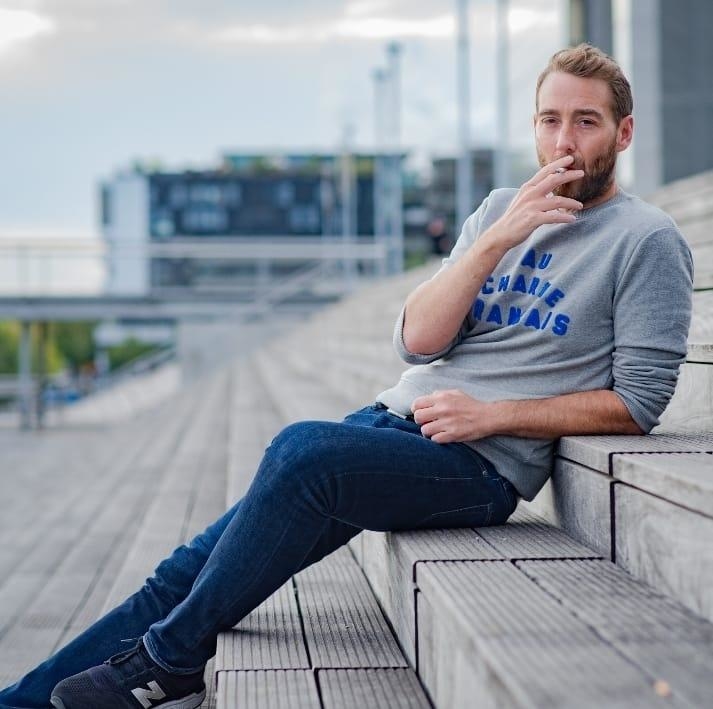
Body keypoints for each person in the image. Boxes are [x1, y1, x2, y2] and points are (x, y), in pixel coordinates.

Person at [0, 43, 692, 709]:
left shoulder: (645, 239)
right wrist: (495, 240)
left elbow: (637, 403)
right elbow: (417, 342)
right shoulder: (498, 211)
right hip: (391, 426)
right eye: (549, 120)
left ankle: (169, 663)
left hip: (479, 464)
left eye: (585, 121)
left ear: (624, 132)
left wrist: (493, 416)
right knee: (179, 573)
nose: (564, 141)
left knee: (304, 450)